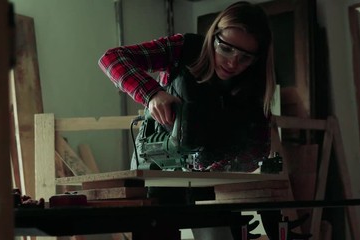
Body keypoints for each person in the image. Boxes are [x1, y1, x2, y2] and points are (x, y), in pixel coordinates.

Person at [99, 1, 278, 239]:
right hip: (161, 167)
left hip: (212, 180)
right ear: (214, 36)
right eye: (226, 48)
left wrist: (222, 164)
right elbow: (112, 59)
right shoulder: (184, 49)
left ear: (257, 58)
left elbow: (255, 150)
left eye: (244, 57)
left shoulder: (253, 87)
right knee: (157, 230)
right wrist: (152, 93)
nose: (233, 63)